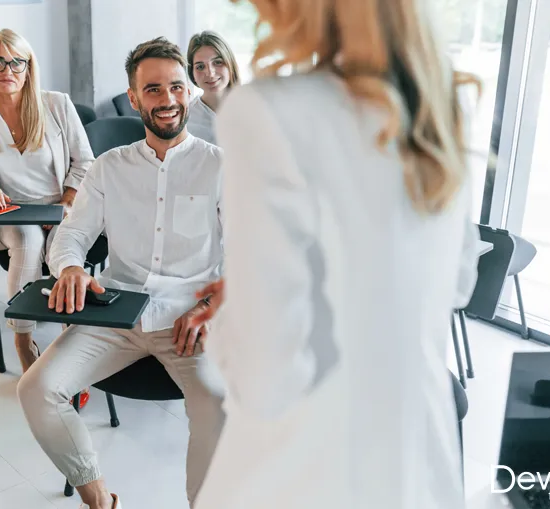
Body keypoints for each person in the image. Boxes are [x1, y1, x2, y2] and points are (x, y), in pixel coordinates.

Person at [190, 0, 482, 508]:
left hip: (308, 462)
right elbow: (456, 284)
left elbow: (266, 380)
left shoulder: (266, 112)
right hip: (417, 447)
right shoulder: (442, 106)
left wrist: (236, 314)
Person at [17, 37, 225, 509]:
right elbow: (70, 236)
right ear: (134, 98)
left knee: (218, 402)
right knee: (36, 389)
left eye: (176, 87)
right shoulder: (109, 167)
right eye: (153, 90)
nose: (167, 99)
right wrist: (69, 267)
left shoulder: (218, 166)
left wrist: (214, 306)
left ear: (189, 91)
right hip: (117, 312)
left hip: (189, 321)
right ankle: (98, 498)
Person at [0, 29, 94, 374]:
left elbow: (85, 162)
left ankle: (72, 344)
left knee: (64, 253)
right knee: (28, 241)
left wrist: (67, 203)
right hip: (8, 212)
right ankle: (23, 343)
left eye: (16, 62)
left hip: (61, 206)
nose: (7, 70)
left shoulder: (57, 104)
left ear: (29, 68)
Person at [185, 31, 241, 144]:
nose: (210, 73)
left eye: (218, 62)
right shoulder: (185, 121)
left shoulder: (254, 106)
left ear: (230, 64)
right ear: (192, 73)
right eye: (200, 66)